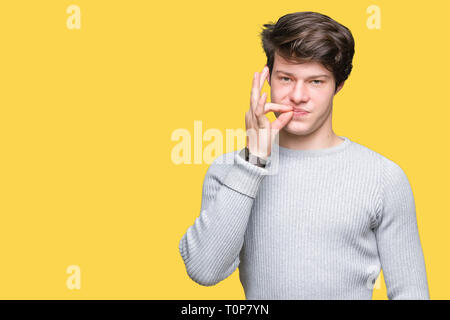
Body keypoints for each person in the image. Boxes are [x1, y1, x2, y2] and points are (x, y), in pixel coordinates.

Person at [178, 11, 429, 300]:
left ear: (339, 86)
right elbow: (205, 271)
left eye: (316, 82)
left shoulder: (383, 177)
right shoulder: (230, 171)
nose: (298, 95)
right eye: (286, 78)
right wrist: (254, 159)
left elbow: (411, 292)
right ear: (268, 78)